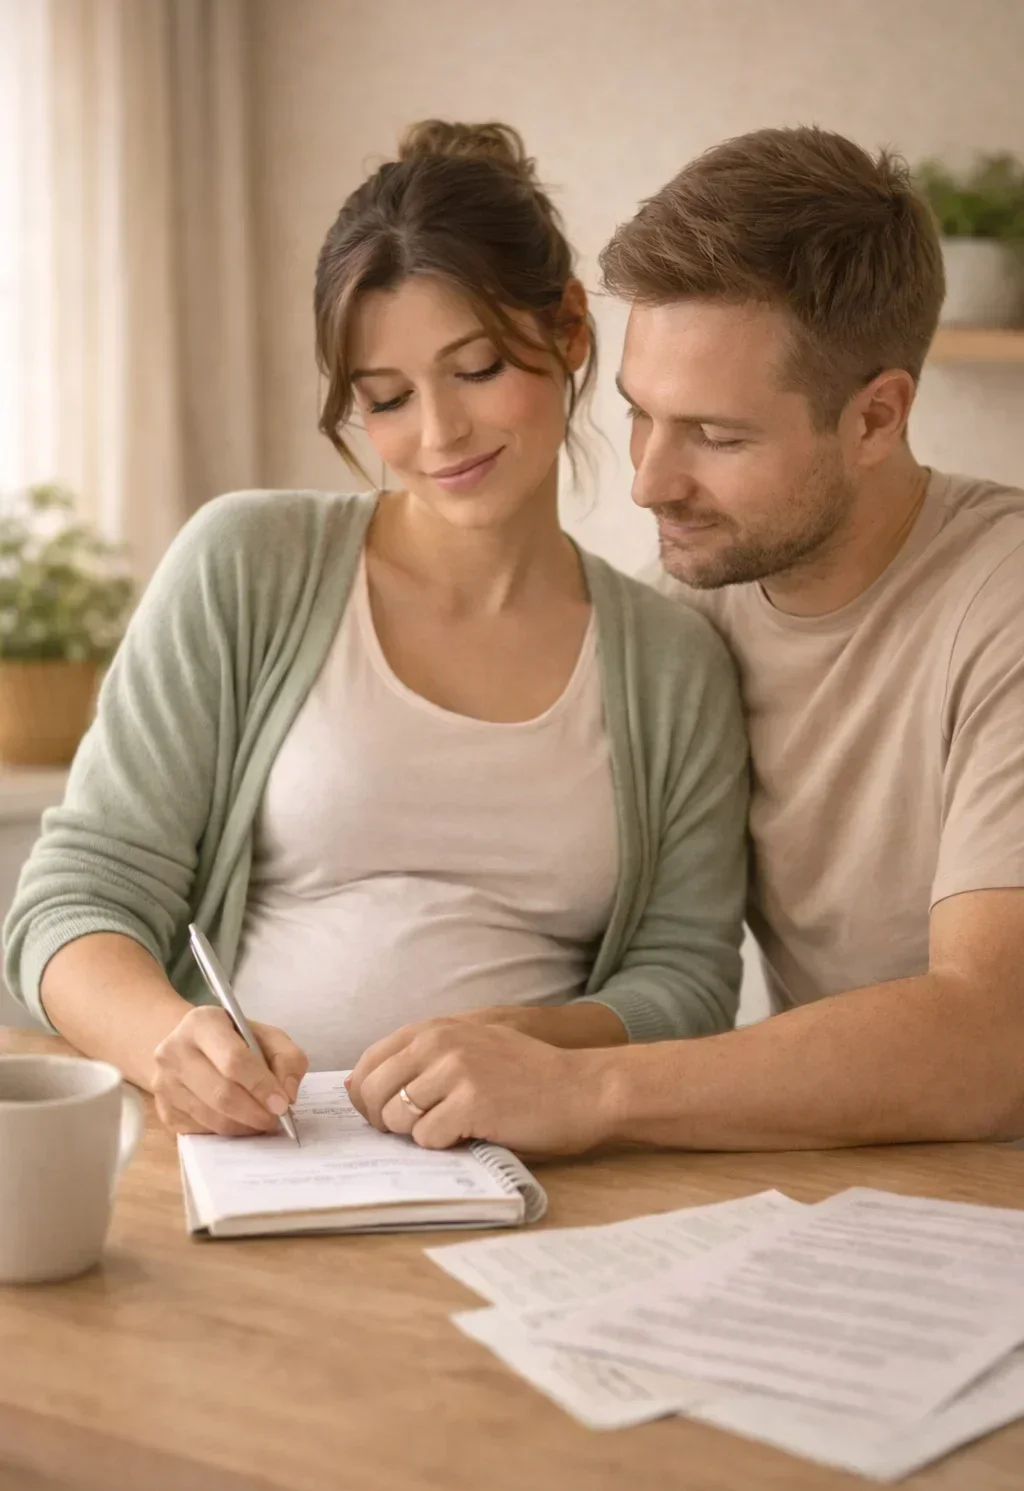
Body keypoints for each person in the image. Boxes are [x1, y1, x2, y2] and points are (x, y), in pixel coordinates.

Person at [3, 120, 748, 1138]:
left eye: (476, 370)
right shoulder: (248, 564)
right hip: (255, 1153)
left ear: (571, 329)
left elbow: (687, 979)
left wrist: (526, 1044)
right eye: (386, 398)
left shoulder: (673, 665)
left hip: (521, 1168)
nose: (438, 435)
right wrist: (168, 1042)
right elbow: (76, 898)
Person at [344, 126, 1024, 1156]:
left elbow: (990, 1042)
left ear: (876, 418)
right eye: (639, 416)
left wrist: (588, 1089)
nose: (649, 483)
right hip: (854, 1185)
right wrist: (518, 1040)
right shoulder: (683, 616)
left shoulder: (1000, 602)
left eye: (716, 435)